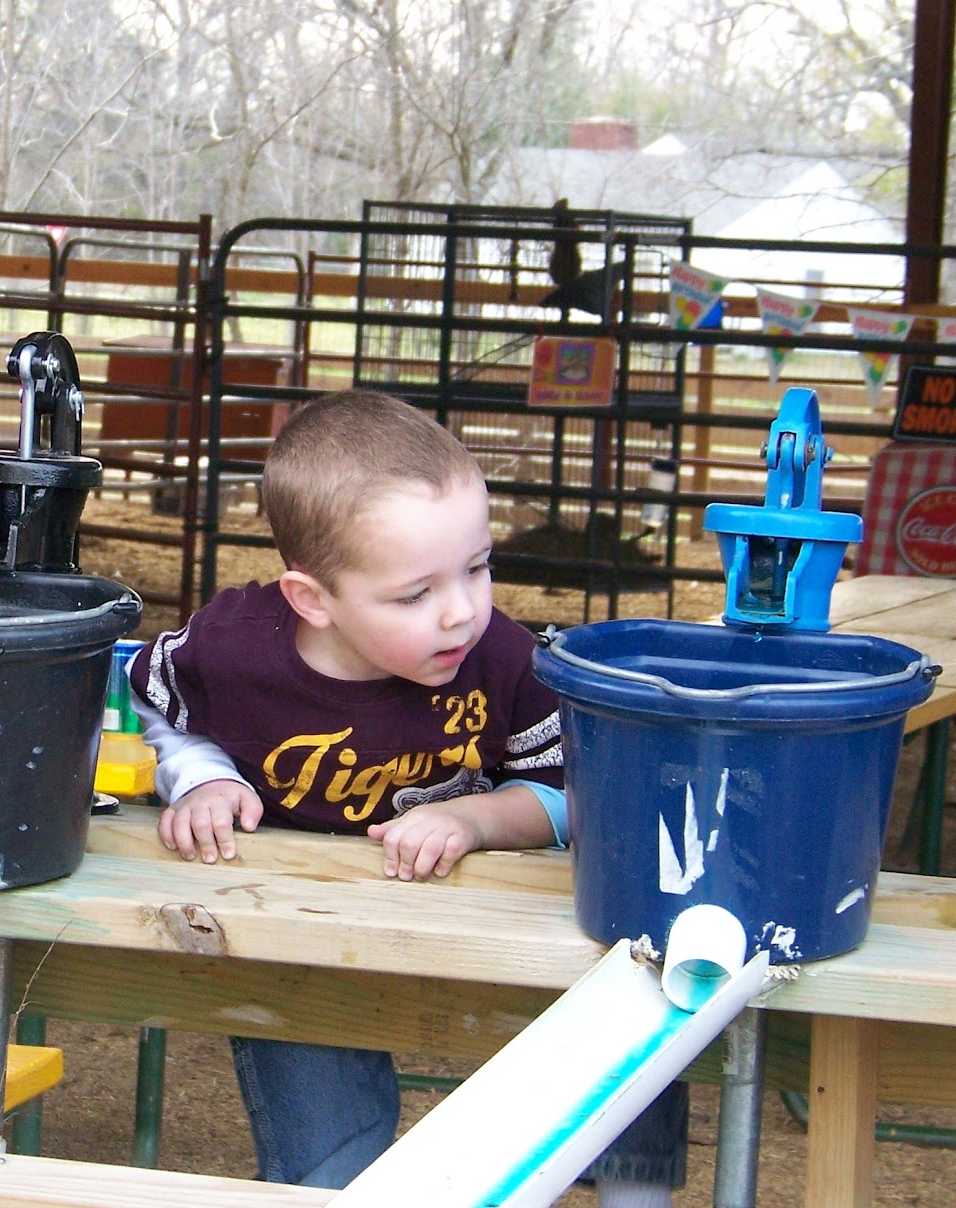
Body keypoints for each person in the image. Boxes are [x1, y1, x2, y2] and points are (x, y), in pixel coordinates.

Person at [127, 390, 684, 1206]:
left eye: (478, 567)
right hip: (306, 943)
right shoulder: (233, 644)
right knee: (331, 1160)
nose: (461, 611)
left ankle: (636, 1193)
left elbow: (578, 799)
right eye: (415, 594)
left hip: (487, 930)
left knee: (634, 986)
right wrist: (202, 774)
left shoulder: (505, 659)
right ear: (312, 599)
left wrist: (478, 818)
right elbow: (154, 698)